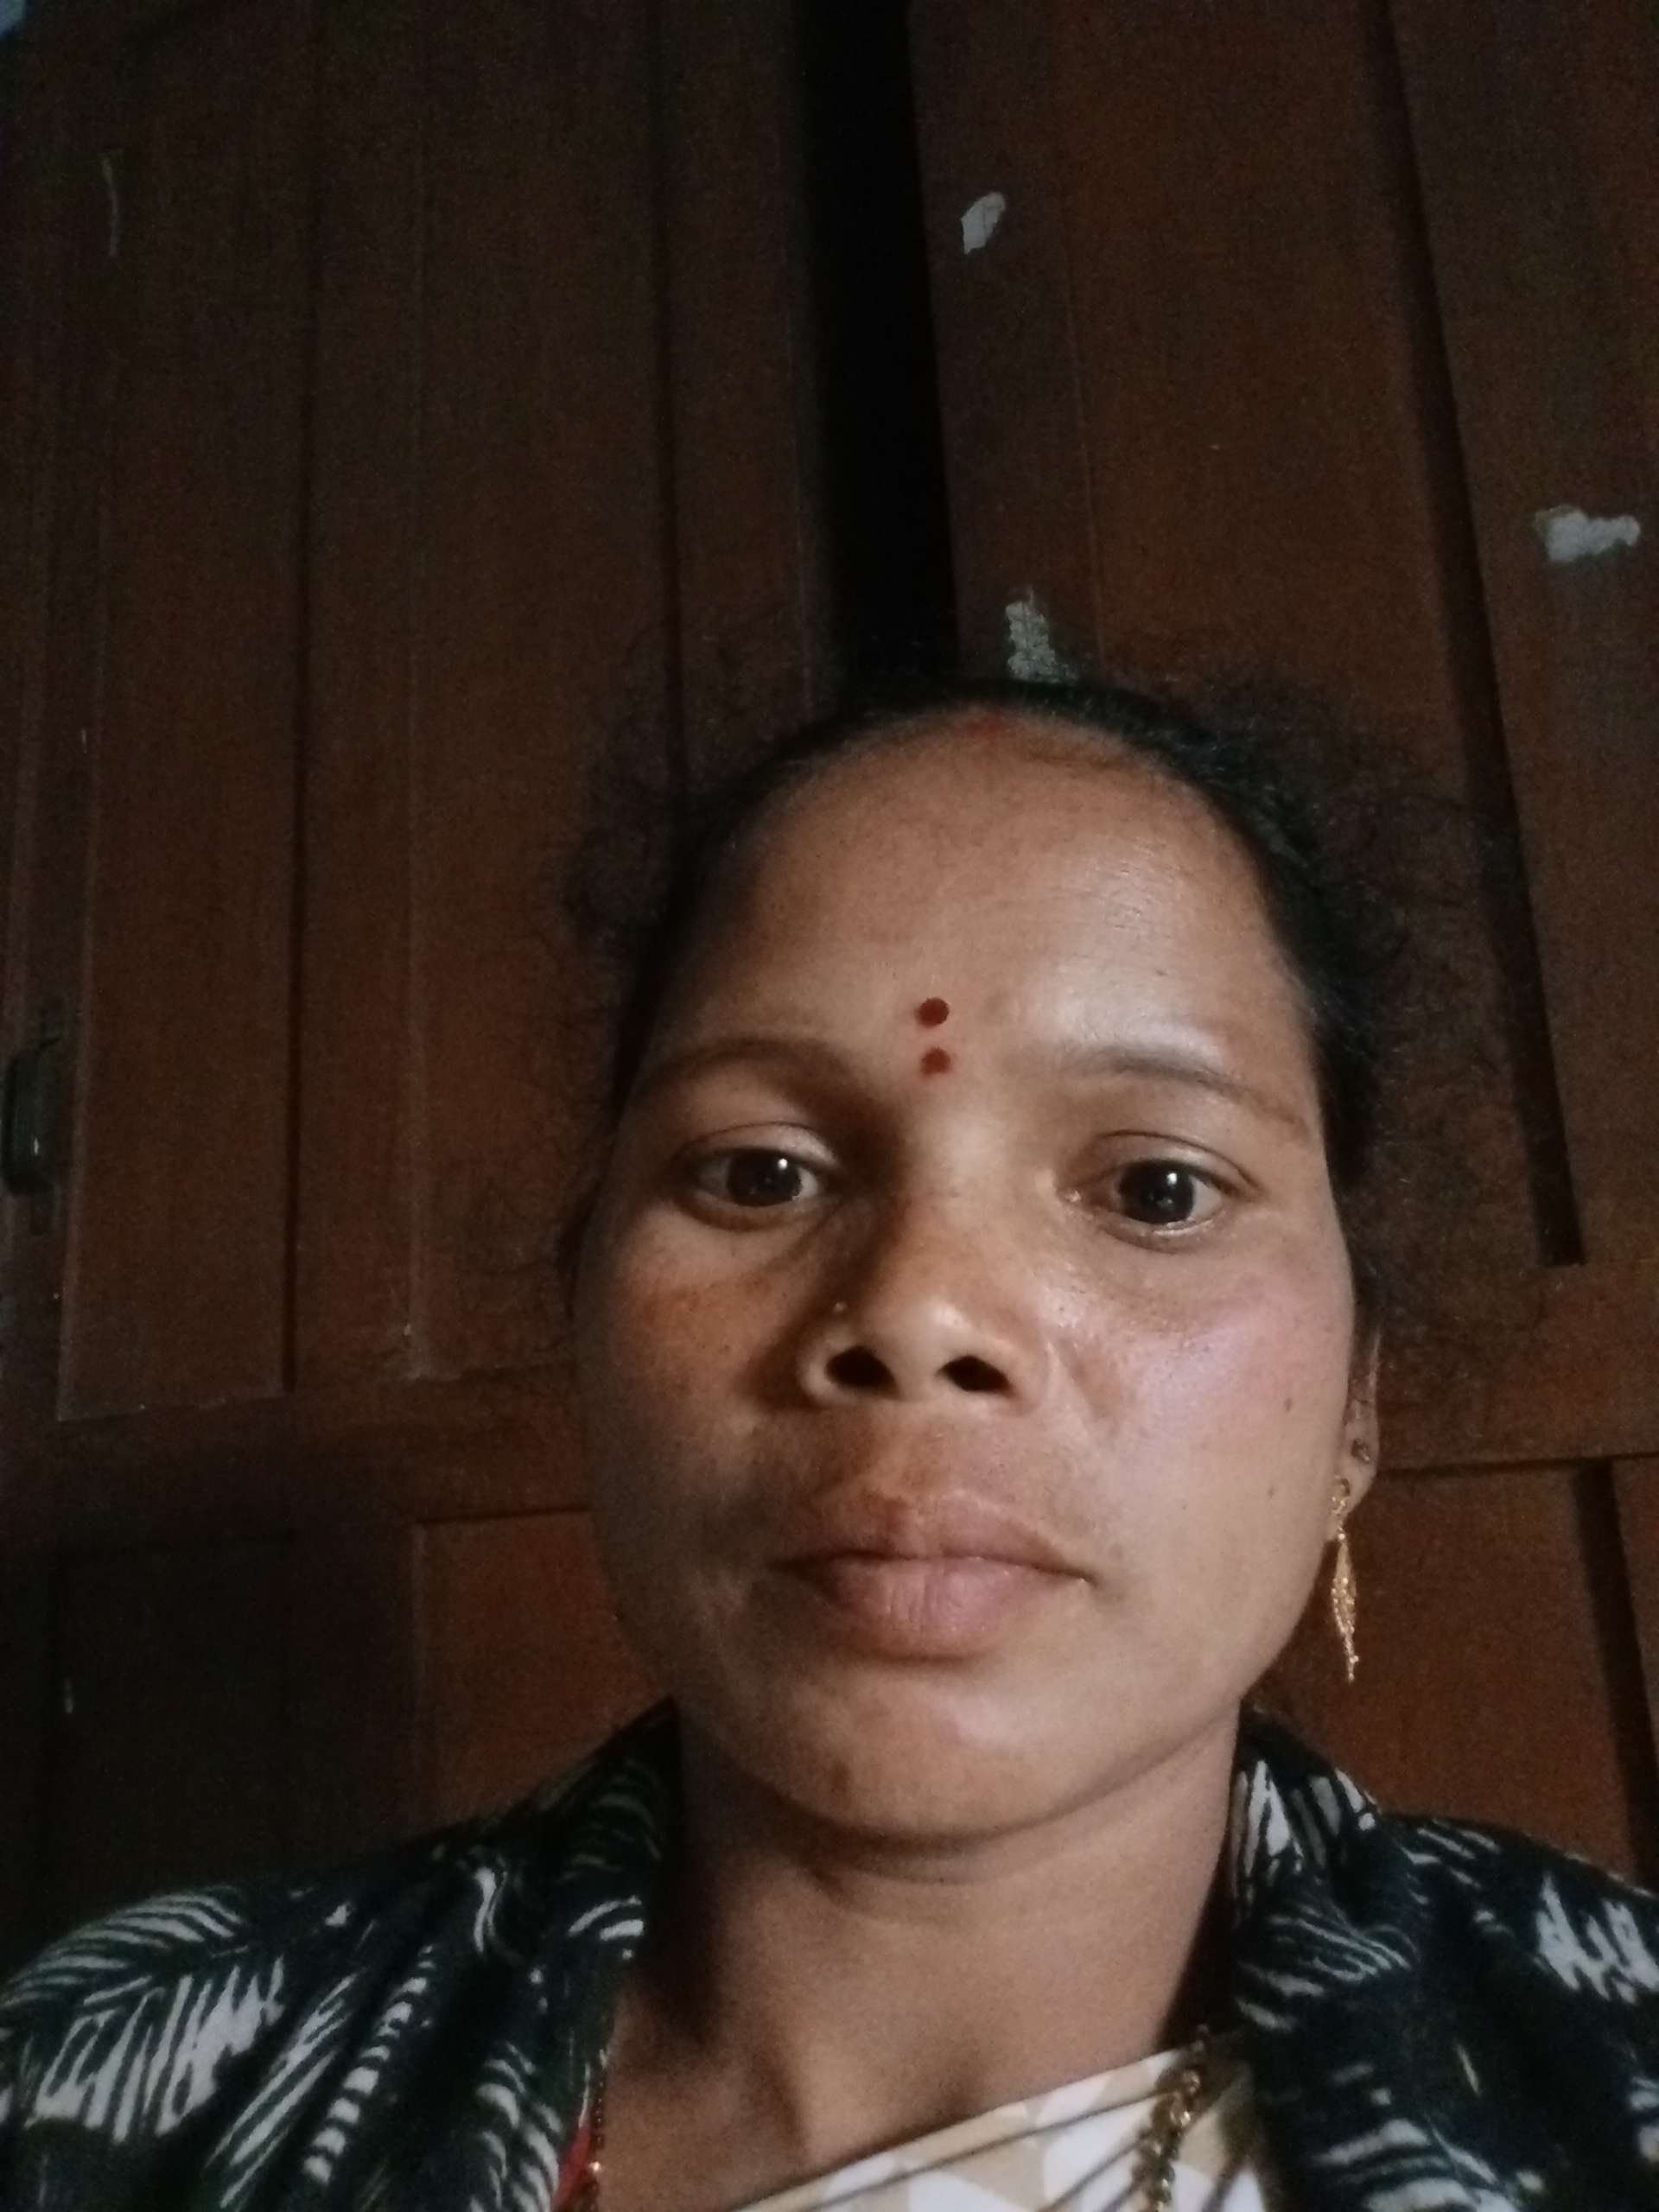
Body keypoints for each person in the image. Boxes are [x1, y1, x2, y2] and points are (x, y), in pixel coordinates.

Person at [3, 676, 1657, 2210]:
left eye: (1157, 1188)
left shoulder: (1610, 2073)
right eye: (760, 1174)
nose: (920, 1309)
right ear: (585, 1326)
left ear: (1358, 1404)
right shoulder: (94, 2098)